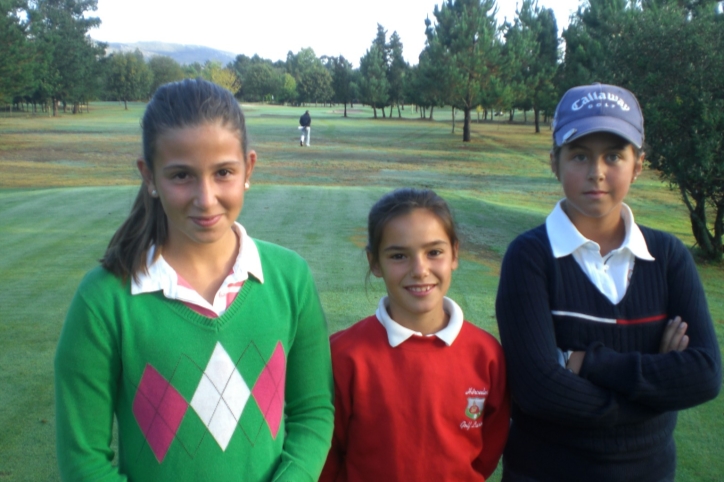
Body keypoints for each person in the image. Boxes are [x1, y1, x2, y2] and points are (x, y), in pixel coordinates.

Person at [54, 78, 334, 481]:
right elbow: (84, 460)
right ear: (149, 177)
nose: (206, 198)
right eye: (181, 176)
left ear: (248, 168)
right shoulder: (103, 300)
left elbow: (313, 412)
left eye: (223, 172)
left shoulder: (290, 279)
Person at [495, 83, 721, 482]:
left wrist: (589, 363)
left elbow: (704, 374)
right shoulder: (529, 257)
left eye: (614, 155)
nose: (596, 172)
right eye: (580, 155)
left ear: (637, 165)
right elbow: (539, 390)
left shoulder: (668, 257)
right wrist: (657, 386)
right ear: (555, 162)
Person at [321, 188, 510, 482]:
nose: (420, 270)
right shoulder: (344, 355)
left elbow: (486, 453)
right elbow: (328, 455)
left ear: (455, 254)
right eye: (399, 255)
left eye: (434, 252)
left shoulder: (486, 355)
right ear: (374, 263)